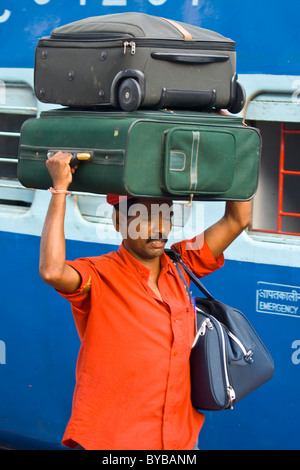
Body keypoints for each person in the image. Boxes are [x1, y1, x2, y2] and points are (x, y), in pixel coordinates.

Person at [39, 151, 252, 450]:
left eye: (166, 216)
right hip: (116, 441)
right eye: (145, 218)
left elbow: (237, 219)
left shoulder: (181, 263)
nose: (159, 228)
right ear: (118, 222)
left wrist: (242, 150)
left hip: (179, 440)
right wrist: (60, 189)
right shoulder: (99, 275)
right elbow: (52, 271)